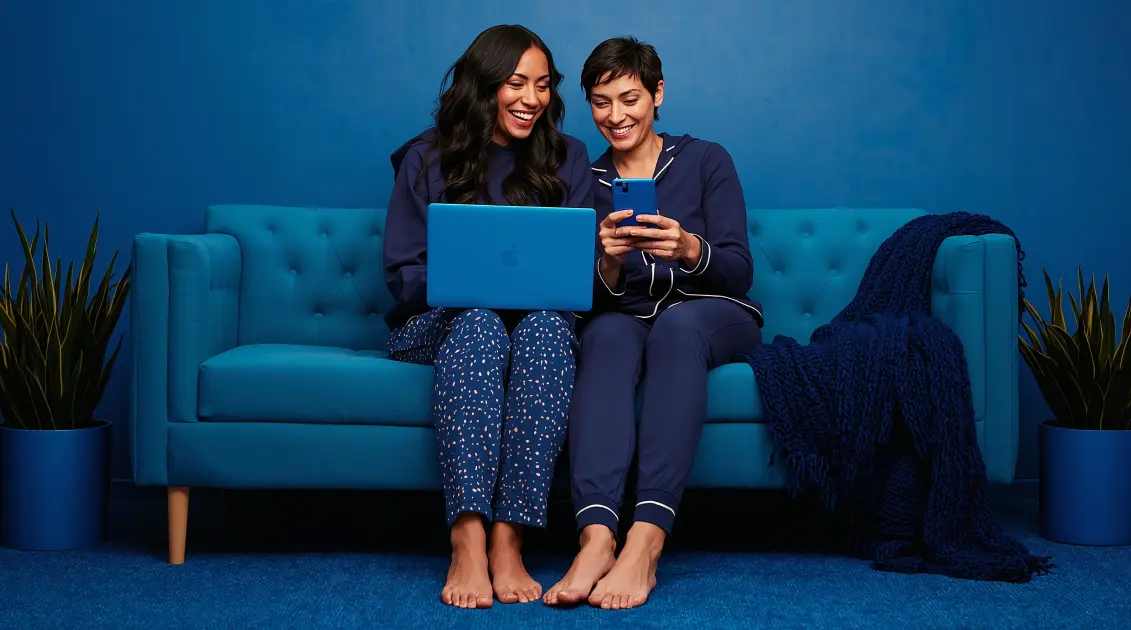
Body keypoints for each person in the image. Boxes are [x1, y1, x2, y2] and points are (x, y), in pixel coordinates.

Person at [544, 37, 764, 610]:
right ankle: (596, 538)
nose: (615, 116)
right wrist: (609, 263)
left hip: (713, 314)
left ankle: (645, 541)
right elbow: (580, 298)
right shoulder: (584, 178)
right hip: (626, 314)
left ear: (657, 94)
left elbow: (739, 271)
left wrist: (689, 248)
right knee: (604, 335)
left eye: (630, 98)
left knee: (678, 327)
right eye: (601, 103)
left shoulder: (706, 159)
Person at [383, 24, 594, 609]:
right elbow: (402, 272)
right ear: (484, 84)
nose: (532, 98)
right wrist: (472, 288)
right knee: (480, 324)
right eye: (517, 83)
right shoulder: (427, 157)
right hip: (444, 325)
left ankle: (509, 537)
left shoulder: (569, 157)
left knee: (545, 330)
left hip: (536, 324)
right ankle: (468, 537)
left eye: (543, 85)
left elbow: (578, 271)